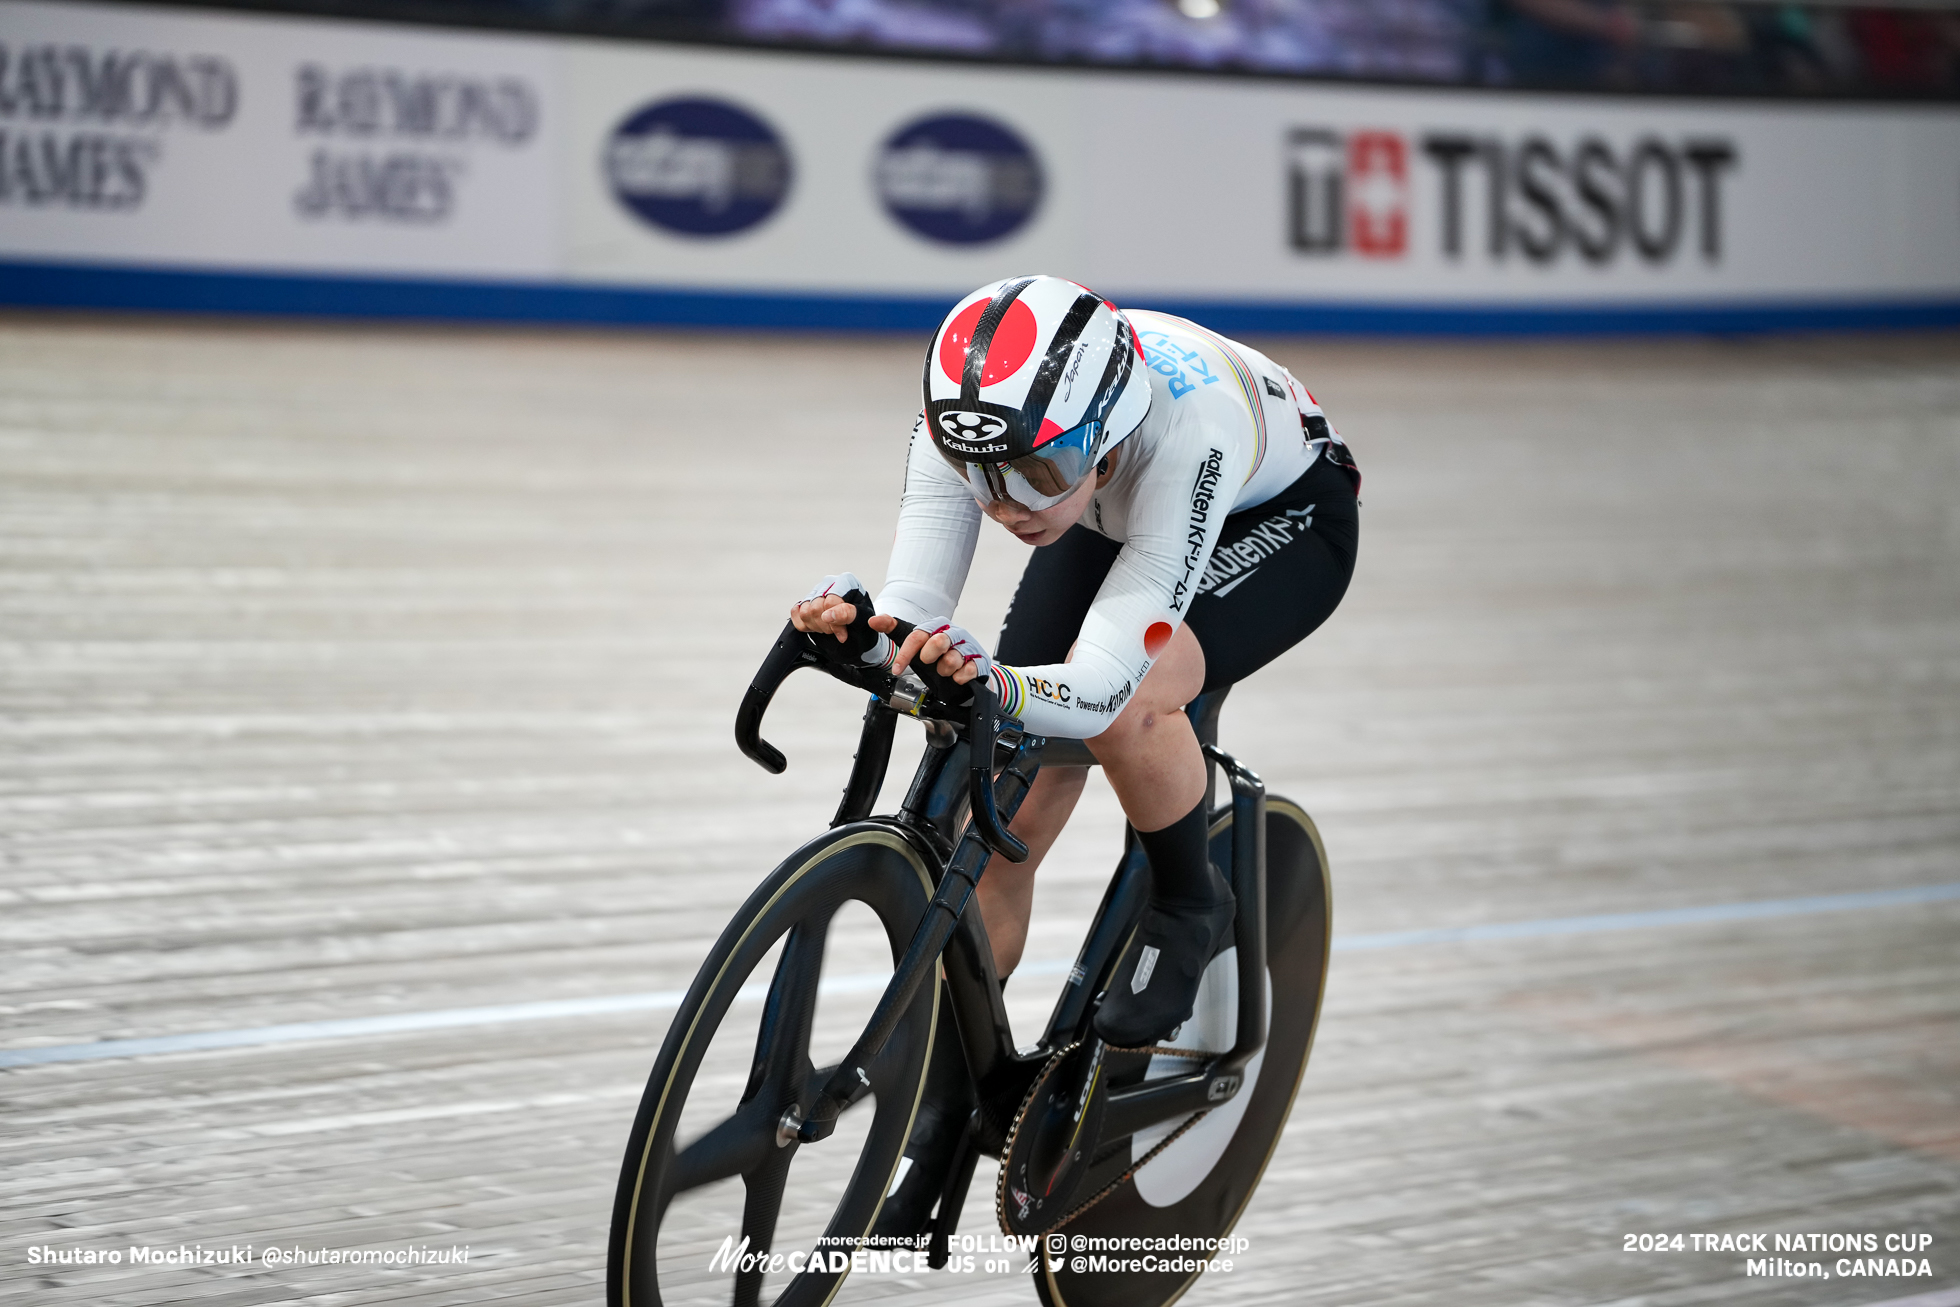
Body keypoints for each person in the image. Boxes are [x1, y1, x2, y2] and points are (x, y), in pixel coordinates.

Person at [791, 274, 1358, 1049]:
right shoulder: (976, 423)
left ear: (1110, 432)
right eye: (981, 480)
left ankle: (1192, 900)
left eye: (1038, 475)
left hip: (1281, 517)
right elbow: (915, 612)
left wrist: (991, 681)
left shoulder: (1190, 435)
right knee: (1004, 812)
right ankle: (948, 1085)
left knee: (1134, 706)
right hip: (1108, 506)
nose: (1010, 508)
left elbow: (1098, 691)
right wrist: (868, 635)